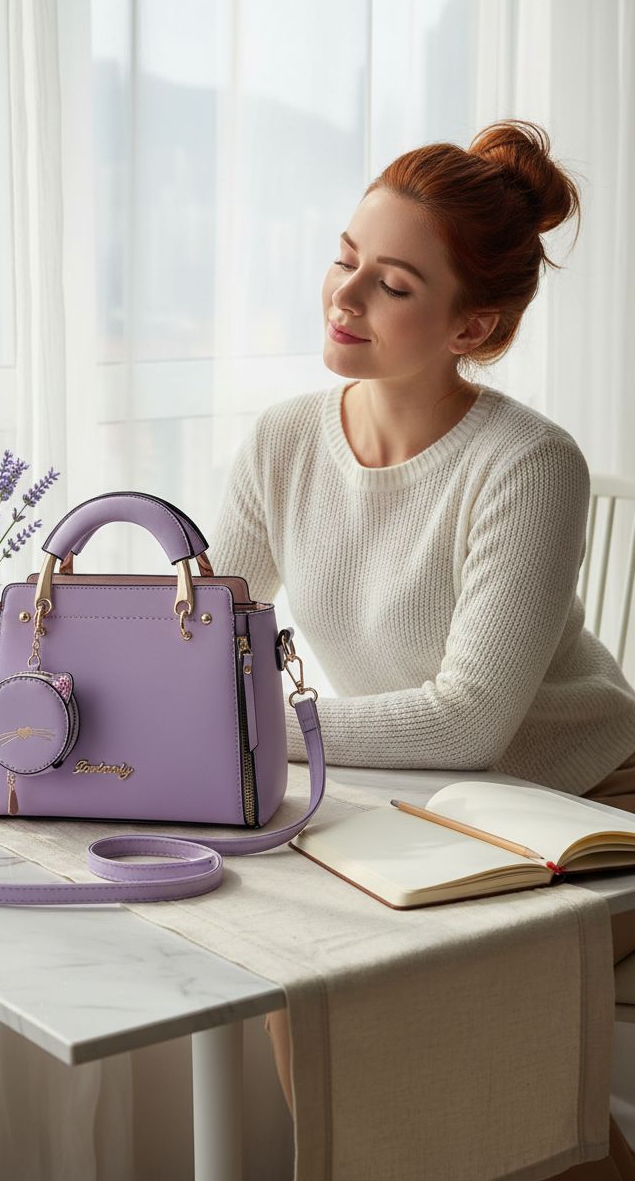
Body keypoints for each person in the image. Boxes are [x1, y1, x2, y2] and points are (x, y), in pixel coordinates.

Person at [207, 119, 635, 1179]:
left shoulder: (527, 464)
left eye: (391, 284)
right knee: (300, 976)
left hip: (588, 806)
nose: (342, 297)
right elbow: (207, 645)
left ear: (471, 321)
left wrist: (258, 730)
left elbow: (468, 721)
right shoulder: (284, 441)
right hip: (424, 808)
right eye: (345, 257)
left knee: (404, 1008)